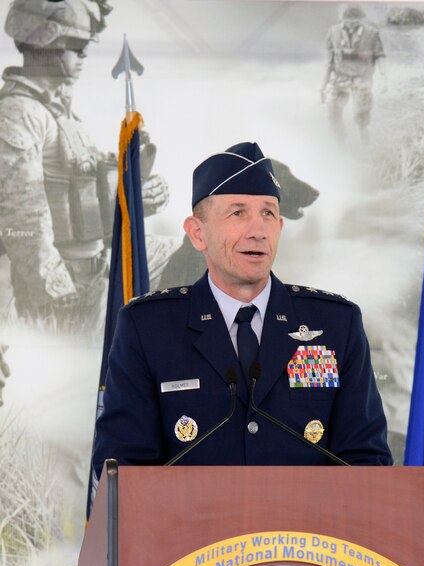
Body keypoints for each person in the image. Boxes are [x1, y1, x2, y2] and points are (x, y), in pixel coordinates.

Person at [92, 140, 392, 475]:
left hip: (303, 528)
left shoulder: (336, 325)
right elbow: (122, 471)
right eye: (238, 213)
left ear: (279, 228)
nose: (257, 231)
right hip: (193, 528)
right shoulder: (147, 328)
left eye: (267, 213)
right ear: (197, 233)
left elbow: (367, 464)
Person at [0, 0, 168, 328]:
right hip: (65, 291)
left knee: (196, 257)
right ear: (44, 43)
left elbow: (78, 204)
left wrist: (133, 196)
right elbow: (23, 222)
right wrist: (59, 295)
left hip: (96, 270)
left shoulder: (60, 113)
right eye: (75, 46)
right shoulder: (20, 114)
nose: (83, 56)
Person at [320, 3, 386, 142]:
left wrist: (384, 78)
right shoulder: (333, 32)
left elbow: (379, 56)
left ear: (360, 18)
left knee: (361, 113)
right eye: (347, 17)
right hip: (340, 79)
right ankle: (340, 141)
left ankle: (364, 134)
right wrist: (323, 85)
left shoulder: (372, 33)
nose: (351, 21)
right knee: (332, 110)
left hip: (362, 79)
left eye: (354, 17)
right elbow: (329, 62)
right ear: (342, 18)